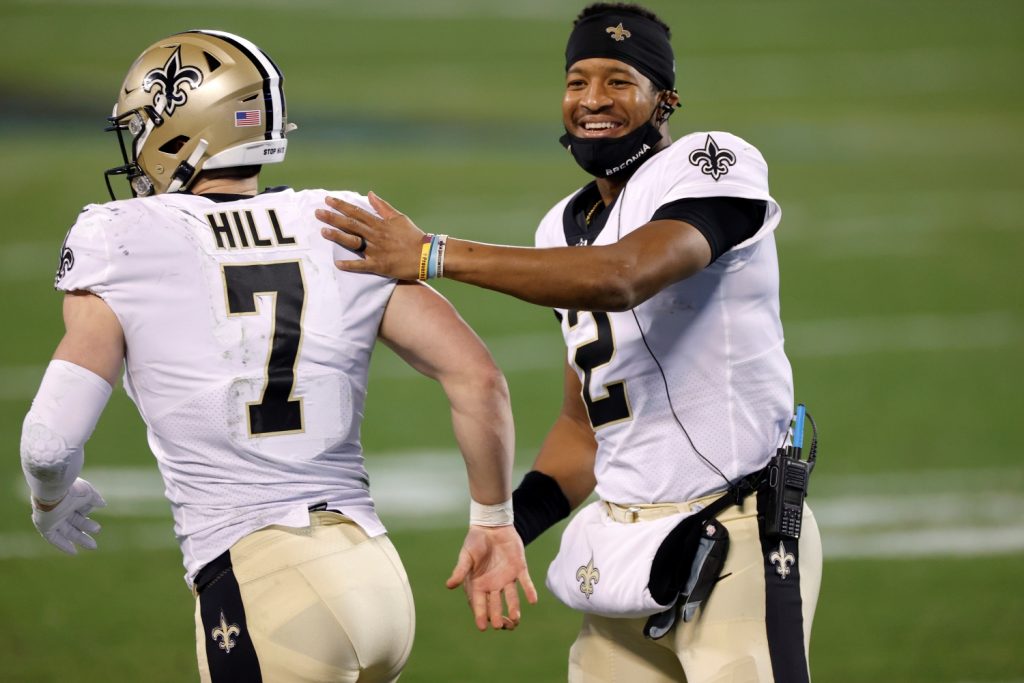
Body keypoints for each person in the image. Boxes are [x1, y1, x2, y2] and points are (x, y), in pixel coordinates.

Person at [315, 3, 822, 681]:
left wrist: (434, 254)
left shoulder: (712, 163)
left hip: (734, 536)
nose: (592, 100)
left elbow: (624, 275)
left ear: (664, 98)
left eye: (619, 81)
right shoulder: (562, 225)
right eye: (577, 80)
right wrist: (507, 524)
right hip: (624, 548)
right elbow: (583, 430)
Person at [19, 29, 536, 683]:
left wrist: (50, 498)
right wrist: (492, 519)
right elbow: (479, 377)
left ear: (182, 126)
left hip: (267, 587)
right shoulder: (338, 220)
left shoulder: (123, 236)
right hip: (376, 577)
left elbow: (48, 441)